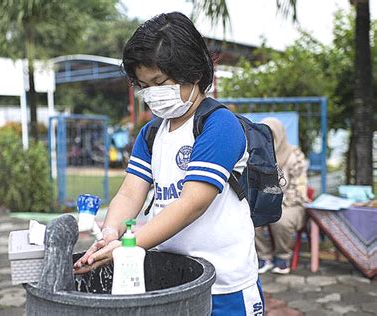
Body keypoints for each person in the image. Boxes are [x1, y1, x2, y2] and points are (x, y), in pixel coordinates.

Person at [74, 12, 264, 315]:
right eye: (143, 85)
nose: (152, 93)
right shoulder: (152, 132)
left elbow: (193, 203)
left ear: (195, 72)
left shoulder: (220, 126)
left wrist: (128, 247)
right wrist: (110, 234)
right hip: (172, 278)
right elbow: (130, 192)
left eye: (159, 81)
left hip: (225, 285)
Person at [255, 118, 309, 274]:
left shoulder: (294, 155)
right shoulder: (258, 155)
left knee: (280, 220)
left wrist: (276, 201)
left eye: (271, 134)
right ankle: (264, 256)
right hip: (266, 202)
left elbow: (300, 187)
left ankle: (282, 255)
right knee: (252, 218)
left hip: (291, 203)